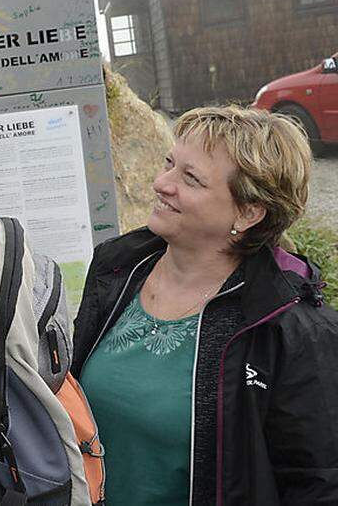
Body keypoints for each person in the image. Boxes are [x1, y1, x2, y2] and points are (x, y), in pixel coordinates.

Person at [72, 105, 338, 505]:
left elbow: (318, 483)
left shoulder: (291, 328)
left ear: (248, 212)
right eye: (169, 164)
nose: (162, 183)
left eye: (190, 179)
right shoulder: (118, 269)